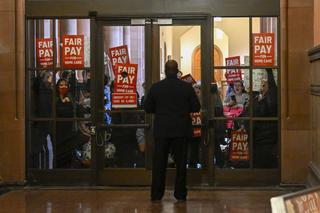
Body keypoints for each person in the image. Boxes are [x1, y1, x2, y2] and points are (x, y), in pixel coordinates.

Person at [144, 60, 200, 202]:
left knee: (159, 164)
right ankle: (180, 194)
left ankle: (157, 194)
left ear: (165, 70)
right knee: (181, 164)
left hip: (162, 130)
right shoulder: (186, 88)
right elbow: (196, 107)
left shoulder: (156, 87)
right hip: (181, 130)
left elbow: (147, 107)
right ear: (177, 70)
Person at [252, 68, 278, 168]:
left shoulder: (270, 100)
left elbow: (260, 112)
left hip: (266, 138)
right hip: (262, 138)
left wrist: (269, 72)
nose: (261, 88)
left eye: (264, 85)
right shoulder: (261, 98)